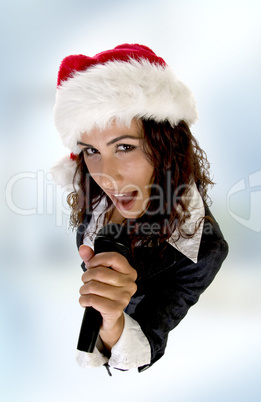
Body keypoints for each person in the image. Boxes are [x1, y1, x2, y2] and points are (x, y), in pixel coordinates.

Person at [51, 43, 228, 374]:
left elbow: (150, 336)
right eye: (91, 150)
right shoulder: (91, 193)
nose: (107, 175)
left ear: (166, 147)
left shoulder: (203, 249)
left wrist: (112, 319)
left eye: (124, 147)